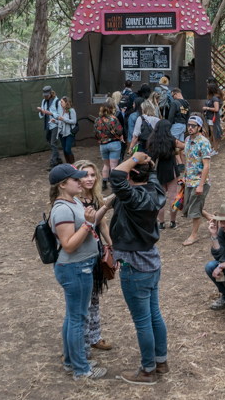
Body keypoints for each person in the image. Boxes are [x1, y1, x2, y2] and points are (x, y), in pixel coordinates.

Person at [108, 151, 168, 384]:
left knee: (142, 320)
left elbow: (115, 176)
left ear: (132, 173)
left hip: (134, 267)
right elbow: (147, 176)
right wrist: (148, 165)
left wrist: (135, 158)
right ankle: (161, 362)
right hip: (151, 262)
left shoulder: (132, 196)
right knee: (154, 315)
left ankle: (147, 371)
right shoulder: (155, 191)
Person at [48, 164, 107, 381]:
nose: (81, 182)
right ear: (62, 185)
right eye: (76, 179)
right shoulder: (62, 209)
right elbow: (69, 245)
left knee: (72, 317)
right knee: (77, 319)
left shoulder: (73, 202)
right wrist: (88, 225)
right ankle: (81, 369)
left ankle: (70, 362)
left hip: (80, 266)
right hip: (75, 268)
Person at [74, 159, 114, 355]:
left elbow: (103, 224)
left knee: (95, 297)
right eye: (84, 175)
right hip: (80, 254)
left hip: (96, 252)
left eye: (92, 175)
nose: (89, 179)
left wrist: (111, 245)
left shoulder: (97, 197)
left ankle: (94, 336)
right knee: (84, 302)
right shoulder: (72, 200)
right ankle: (81, 345)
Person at [147, 119, 184, 230]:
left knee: (160, 198)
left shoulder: (152, 141)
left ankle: (161, 223)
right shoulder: (172, 141)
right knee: (173, 197)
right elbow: (183, 146)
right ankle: (173, 222)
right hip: (171, 169)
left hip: (158, 171)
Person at [181, 115, 213, 246]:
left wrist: (201, 185)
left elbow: (207, 166)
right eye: (189, 125)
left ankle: (194, 235)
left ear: (199, 127)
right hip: (189, 180)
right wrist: (184, 174)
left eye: (193, 126)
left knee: (194, 208)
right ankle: (213, 219)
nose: (190, 128)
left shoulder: (204, 142)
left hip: (200, 181)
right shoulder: (187, 140)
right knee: (187, 208)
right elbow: (187, 159)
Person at [93, 99, 123, 192]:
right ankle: (114, 185)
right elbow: (120, 131)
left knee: (106, 165)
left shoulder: (97, 120)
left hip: (103, 144)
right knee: (114, 165)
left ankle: (104, 184)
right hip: (114, 143)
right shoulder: (114, 119)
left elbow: (96, 133)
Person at [37, 85, 62, 171]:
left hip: (55, 125)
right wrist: (41, 111)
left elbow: (59, 115)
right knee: (52, 144)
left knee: (53, 144)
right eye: (44, 95)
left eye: (47, 95)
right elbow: (41, 116)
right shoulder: (44, 101)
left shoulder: (57, 102)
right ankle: (59, 159)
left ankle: (52, 163)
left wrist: (50, 113)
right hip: (47, 125)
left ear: (51, 93)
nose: (45, 97)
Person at [55, 96, 78, 164]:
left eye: (62, 102)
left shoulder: (71, 110)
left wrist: (63, 119)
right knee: (64, 150)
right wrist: (55, 122)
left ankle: (73, 164)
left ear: (66, 102)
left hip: (69, 133)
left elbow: (74, 121)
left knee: (68, 150)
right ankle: (68, 165)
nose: (60, 103)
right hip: (62, 133)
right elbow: (61, 122)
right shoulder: (61, 111)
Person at [203, 83, 223, 156]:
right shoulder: (211, 98)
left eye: (208, 88)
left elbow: (216, 109)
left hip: (213, 118)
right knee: (211, 133)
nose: (207, 90)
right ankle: (212, 148)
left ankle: (215, 150)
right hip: (209, 117)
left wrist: (207, 108)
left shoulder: (215, 98)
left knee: (214, 133)